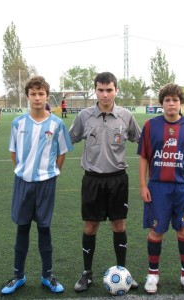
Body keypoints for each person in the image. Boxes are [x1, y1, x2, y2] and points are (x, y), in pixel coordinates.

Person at [69, 72, 141, 292]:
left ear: (116, 90)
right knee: (90, 227)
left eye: (109, 89)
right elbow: (67, 139)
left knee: (118, 225)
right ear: (95, 91)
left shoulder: (126, 116)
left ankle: (122, 271)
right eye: (100, 90)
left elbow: (142, 140)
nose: (105, 94)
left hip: (118, 179)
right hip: (92, 179)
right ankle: (86, 274)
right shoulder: (84, 116)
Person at [1, 76, 73, 295]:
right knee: (22, 228)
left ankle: (47, 275)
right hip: (23, 183)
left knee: (44, 229)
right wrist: (26, 171)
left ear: (47, 96)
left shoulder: (57, 124)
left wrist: (51, 173)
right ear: (27, 97)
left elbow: (62, 153)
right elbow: (13, 152)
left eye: (41, 93)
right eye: (33, 94)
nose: (37, 97)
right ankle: (18, 276)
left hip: (46, 184)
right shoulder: (18, 123)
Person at [137, 83, 184, 295]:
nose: (171, 104)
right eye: (167, 100)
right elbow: (144, 156)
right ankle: (153, 274)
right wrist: (143, 185)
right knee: (157, 230)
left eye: (175, 100)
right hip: (158, 188)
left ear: (181, 103)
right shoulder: (150, 125)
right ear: (162, 103)